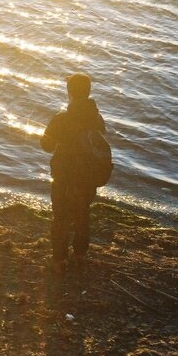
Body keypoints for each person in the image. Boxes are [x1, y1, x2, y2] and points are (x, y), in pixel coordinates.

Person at [41, 73, 106, 275]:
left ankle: (60, 260)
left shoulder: (62, 118)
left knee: (60, 217)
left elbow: (46, 146)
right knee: (82, 216)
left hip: (65, 176)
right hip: (88, 177)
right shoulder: (96, 117)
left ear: (69, 92)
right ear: (88, 91)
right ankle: (79, 255)